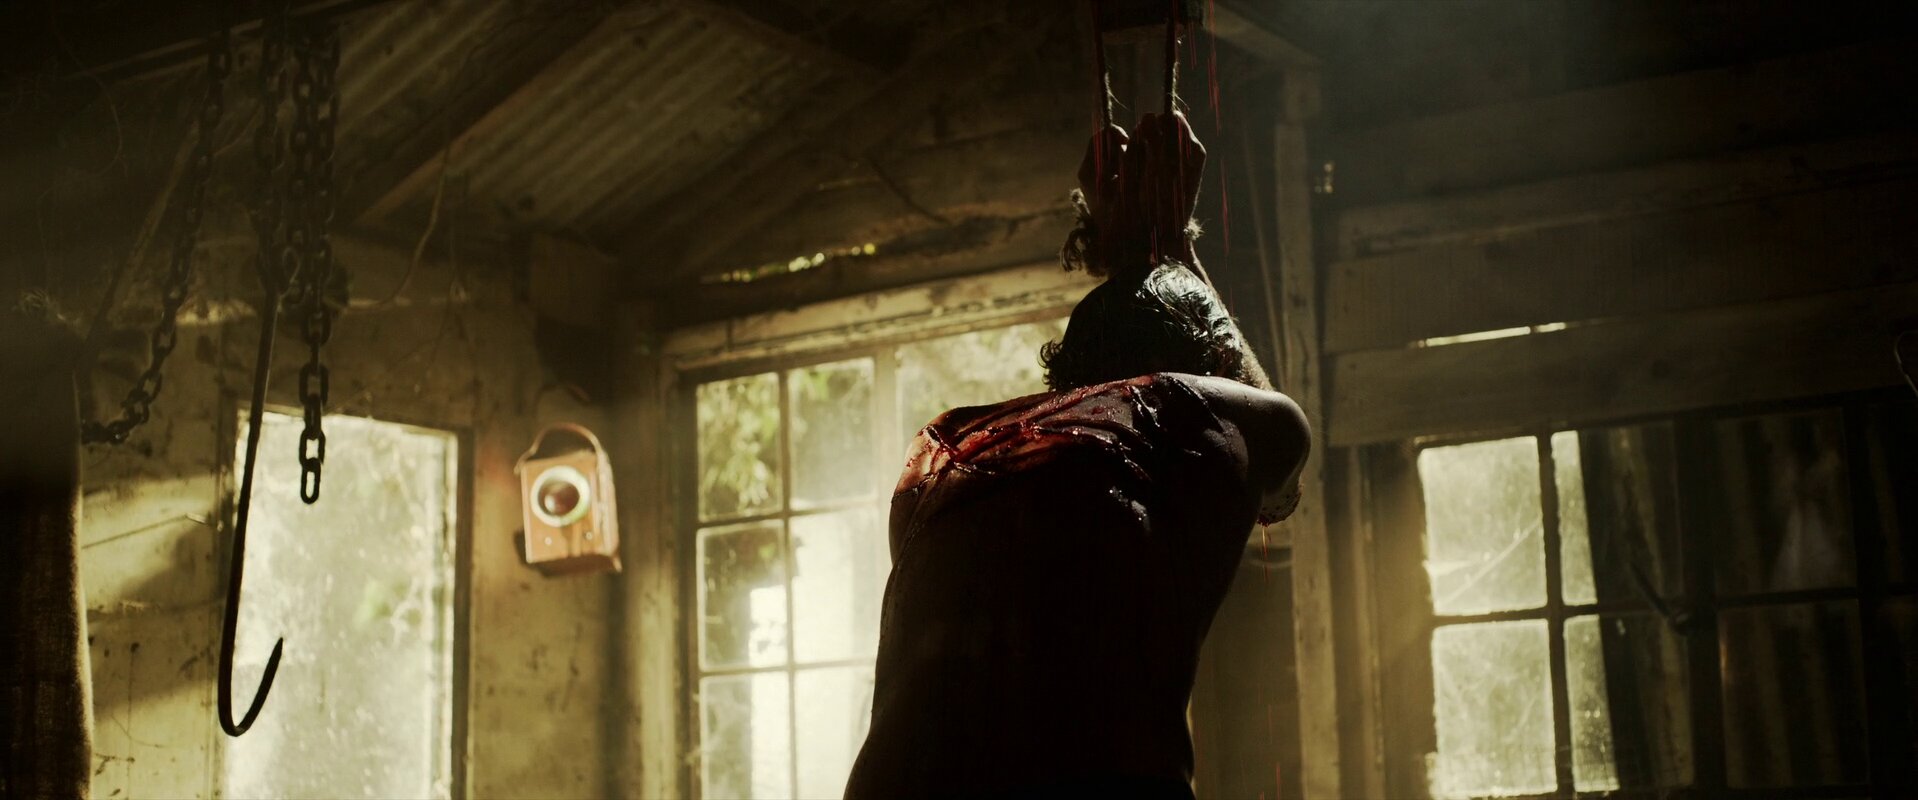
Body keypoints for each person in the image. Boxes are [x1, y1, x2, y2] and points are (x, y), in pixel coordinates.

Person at [843, 111, 1312, 799]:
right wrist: (1167, 244)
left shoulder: (951, 455)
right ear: (1212, 369)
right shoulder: (1187, 410)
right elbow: (1283, 484)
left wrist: (1127, 254)